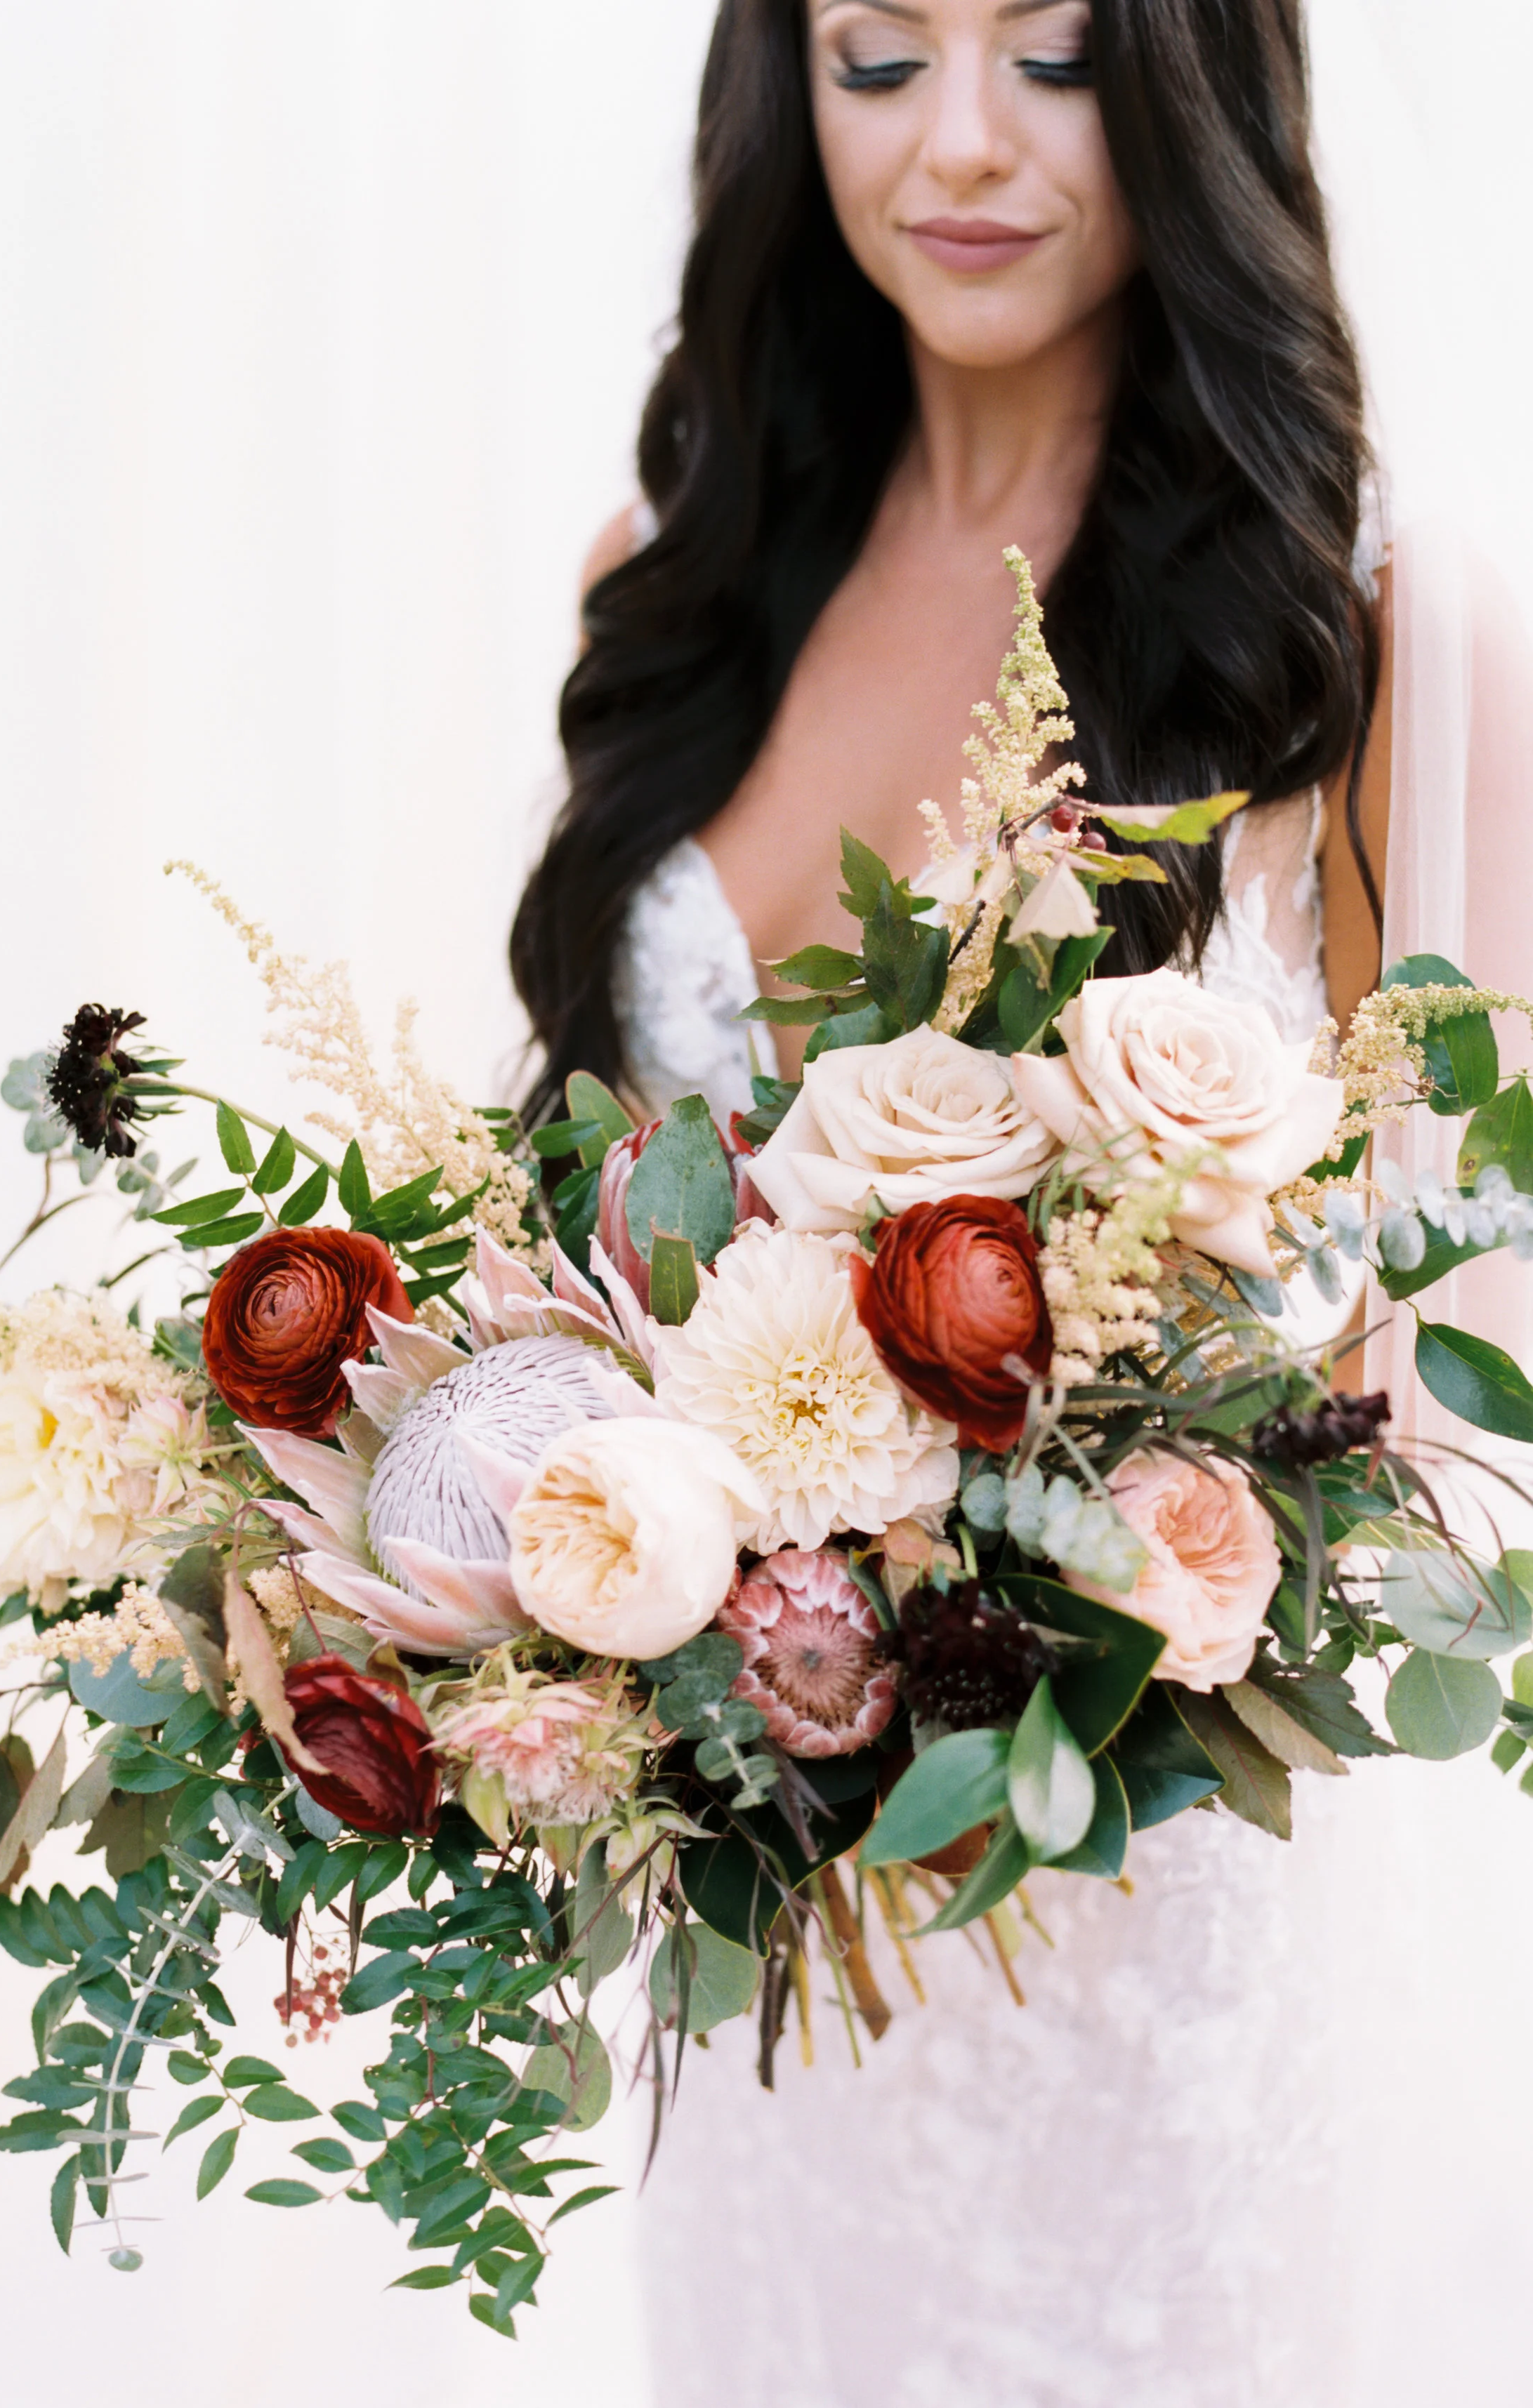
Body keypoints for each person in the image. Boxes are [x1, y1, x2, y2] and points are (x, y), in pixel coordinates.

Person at [511, 2, 1531, 2400]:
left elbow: (1460, 1299)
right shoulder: (662, 583)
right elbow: (578, 1211)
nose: (958, 143)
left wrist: (1104, 1530)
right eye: (876, 58)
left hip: (1136, 1869)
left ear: (1188, 86)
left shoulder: (1359, 620)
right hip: (758, 1885)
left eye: (1057, 55)